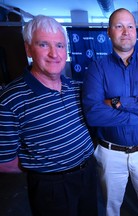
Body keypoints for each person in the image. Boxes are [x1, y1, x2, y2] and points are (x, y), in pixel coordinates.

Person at [0, 15, 98, 216]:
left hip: (88, 173)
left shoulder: (77, 87)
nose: (54, 54)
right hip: (51, 186)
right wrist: (43, 168)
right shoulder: (10, 99)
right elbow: (4, 161)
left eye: (60, 46)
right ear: (28, 49)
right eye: (44, 44)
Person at [82, 8, 138, 216]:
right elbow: (94, 114)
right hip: (110, 153)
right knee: (111, 207)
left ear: (136, 32)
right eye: (119, 26)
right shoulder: (96, 67)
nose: (125, 31)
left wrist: (118, 102)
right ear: (109, 32)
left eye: (130, 26)